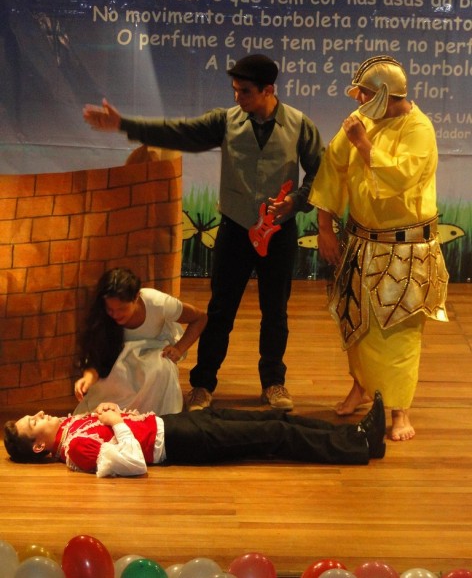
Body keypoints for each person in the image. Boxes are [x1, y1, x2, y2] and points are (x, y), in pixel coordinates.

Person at [83, 54, 324, 412]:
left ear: (268, 90)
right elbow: (180, 131)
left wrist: (297, 201)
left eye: (245, 91)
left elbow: (320, 171)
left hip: (279, 233)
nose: (237, 97)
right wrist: (124, 124)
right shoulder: (226, 121)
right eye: (234, 90)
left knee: (275, 311)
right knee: (220, 310)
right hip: (235, 230)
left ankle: (274, 382)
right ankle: (203, 384)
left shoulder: (300, 125)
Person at [308, 55, 449, 442]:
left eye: (366, 94)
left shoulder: (419, 129)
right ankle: (361, 386)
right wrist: (325, 227)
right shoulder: (362, 120)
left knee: (399, 330)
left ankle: (400, 409)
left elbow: (402, 177)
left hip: (406, 249)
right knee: (356, 322)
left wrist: (363, 143)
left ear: (386, 94)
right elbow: (333, 166)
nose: (359, 100)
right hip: (361, 243)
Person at [3, 392, 386, 476]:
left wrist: (110, 414)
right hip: (180, 442)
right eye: (33, 422)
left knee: (272, 419)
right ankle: (358, 445)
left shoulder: (70, 427)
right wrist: (116, 420)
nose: (39, 414)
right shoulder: (76, 450)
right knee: (272, 434)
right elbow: (134, 463)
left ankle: (355, 434)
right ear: (39, 447)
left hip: (173, 424)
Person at [73, 267, 207, 416]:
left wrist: (179, 348)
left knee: (160, 369)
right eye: (110, 309)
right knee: (114, 379)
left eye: (122, 309)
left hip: (154, 350)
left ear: (136, 297)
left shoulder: (157, 303)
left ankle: (154, 420)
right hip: (120, 357)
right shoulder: (102, 315)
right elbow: (98, 356)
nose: (115, 314)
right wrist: (87, 378)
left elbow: (200, 318)